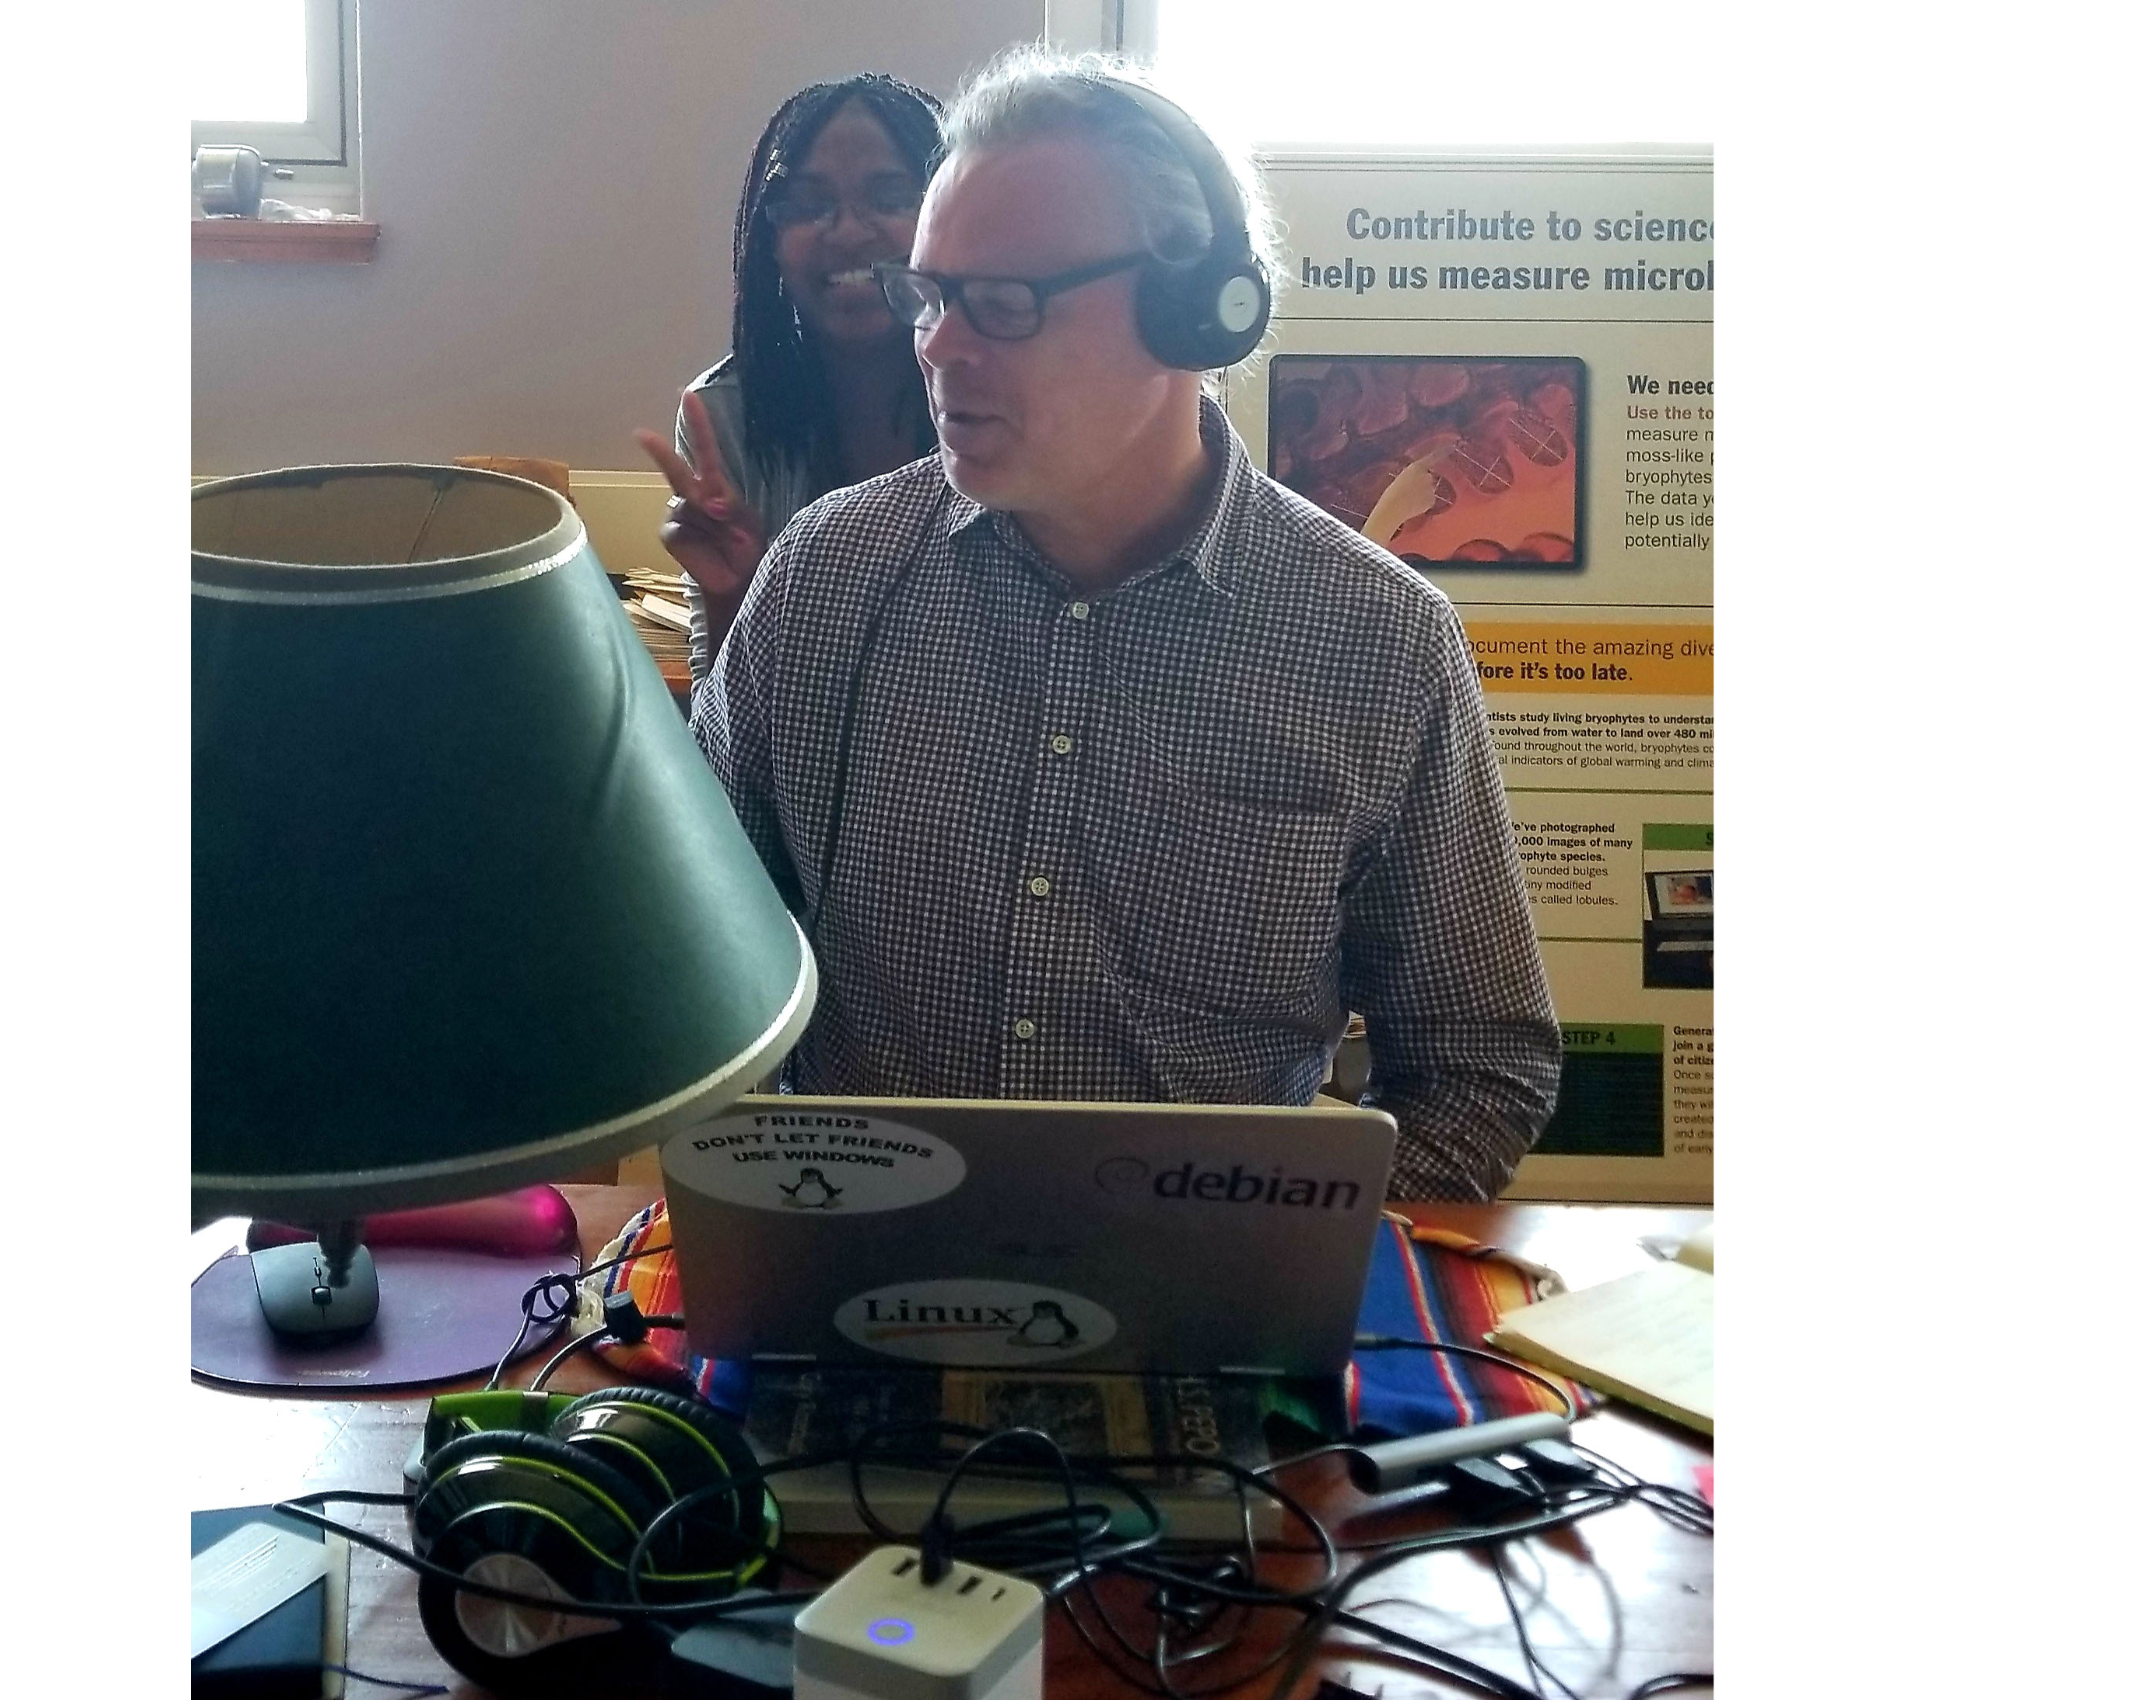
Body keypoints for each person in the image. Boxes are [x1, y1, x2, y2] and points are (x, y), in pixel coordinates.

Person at [685, 48, 1562, 1202]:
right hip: (853, 1270)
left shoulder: (1377, 639)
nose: (939, 348)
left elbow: (1478, 1063)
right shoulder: (824, 581)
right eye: (930, 294)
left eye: (1000, 302)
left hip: (1213, 1316)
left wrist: (1316, 1256)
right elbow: (694, 974)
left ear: (1189, 316)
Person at [635, 74, 944, 678]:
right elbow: (723, 731)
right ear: (769, 241)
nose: (850, 231)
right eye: (807, 205)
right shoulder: (726, 414)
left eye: (889, 197)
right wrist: (738, 593)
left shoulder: (997, 392)